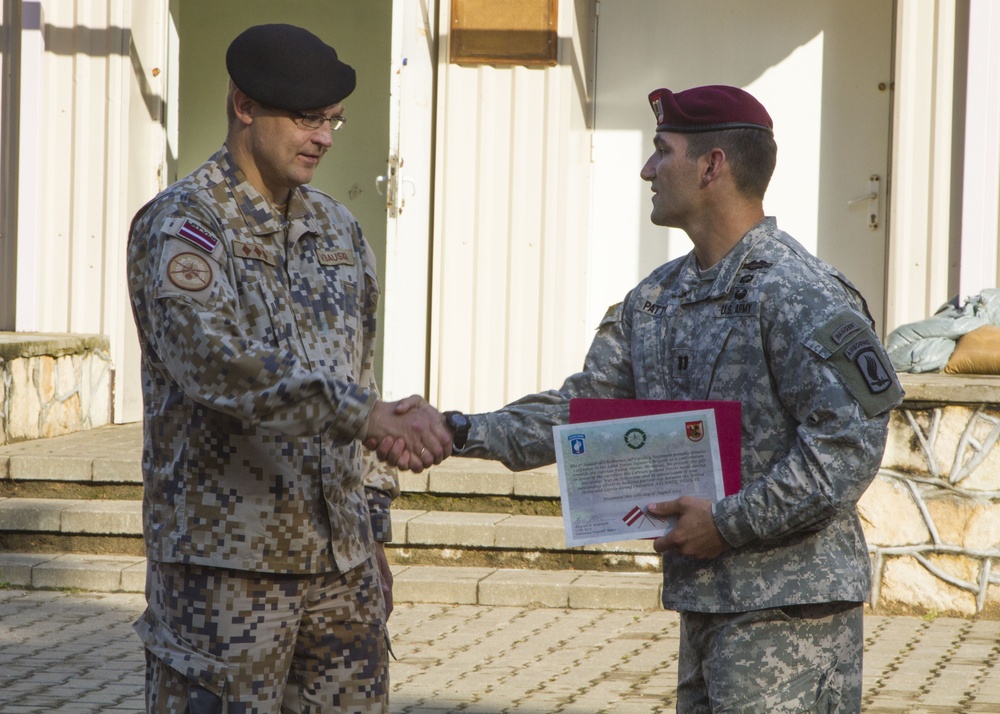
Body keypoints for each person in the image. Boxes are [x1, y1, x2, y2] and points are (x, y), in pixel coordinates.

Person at [377, 84, 903, 712]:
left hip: (790, 610)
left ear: (712, 166)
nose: (647, 168)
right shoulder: (655, 300)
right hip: (706, 603)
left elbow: (849, 444)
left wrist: (729, 523)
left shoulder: (802, 294)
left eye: (662, 151)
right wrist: (458, 429)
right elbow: (582, 414)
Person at [127, 23, 451, 713]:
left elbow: (358, 373)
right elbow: (215, 362)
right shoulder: (184, 225)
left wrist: (373, 533)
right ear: (245, 106)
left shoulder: (338, 229)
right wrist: (364, 416)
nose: (327, 136)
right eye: (307, 118)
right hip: (225, 573)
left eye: (333, 119)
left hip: (342, 572)